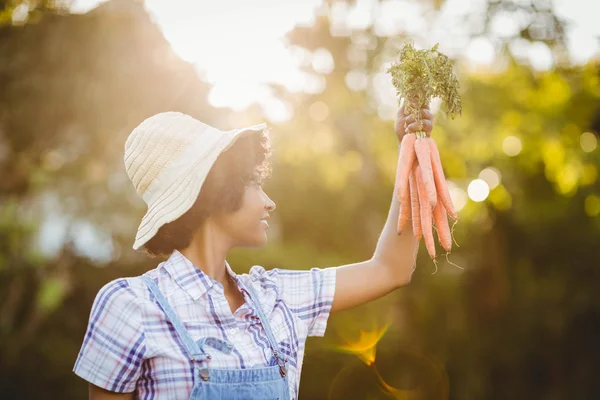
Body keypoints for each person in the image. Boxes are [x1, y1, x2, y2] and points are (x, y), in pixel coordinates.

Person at [73, 102, 434, 400]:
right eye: (255, 184)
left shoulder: (276, 297)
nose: (270, 202)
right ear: (215, 191)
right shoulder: (130, 306)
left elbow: (391, 269)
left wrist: (411, 155)